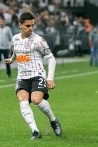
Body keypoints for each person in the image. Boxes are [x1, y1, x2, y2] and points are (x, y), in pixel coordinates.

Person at [5, 12, 62, 140]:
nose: (31, 28)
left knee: (36, 100)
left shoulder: (39, 40)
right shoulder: (15, 38)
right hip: (22, 77)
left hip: (37, 74)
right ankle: (35, 131)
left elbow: (51, 58)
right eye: (27, 26)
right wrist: (11, 59)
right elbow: (17, 52)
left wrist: (50, 78)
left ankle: (53, 120)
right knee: (22, 100)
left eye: (32, 25)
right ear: (20, 25)